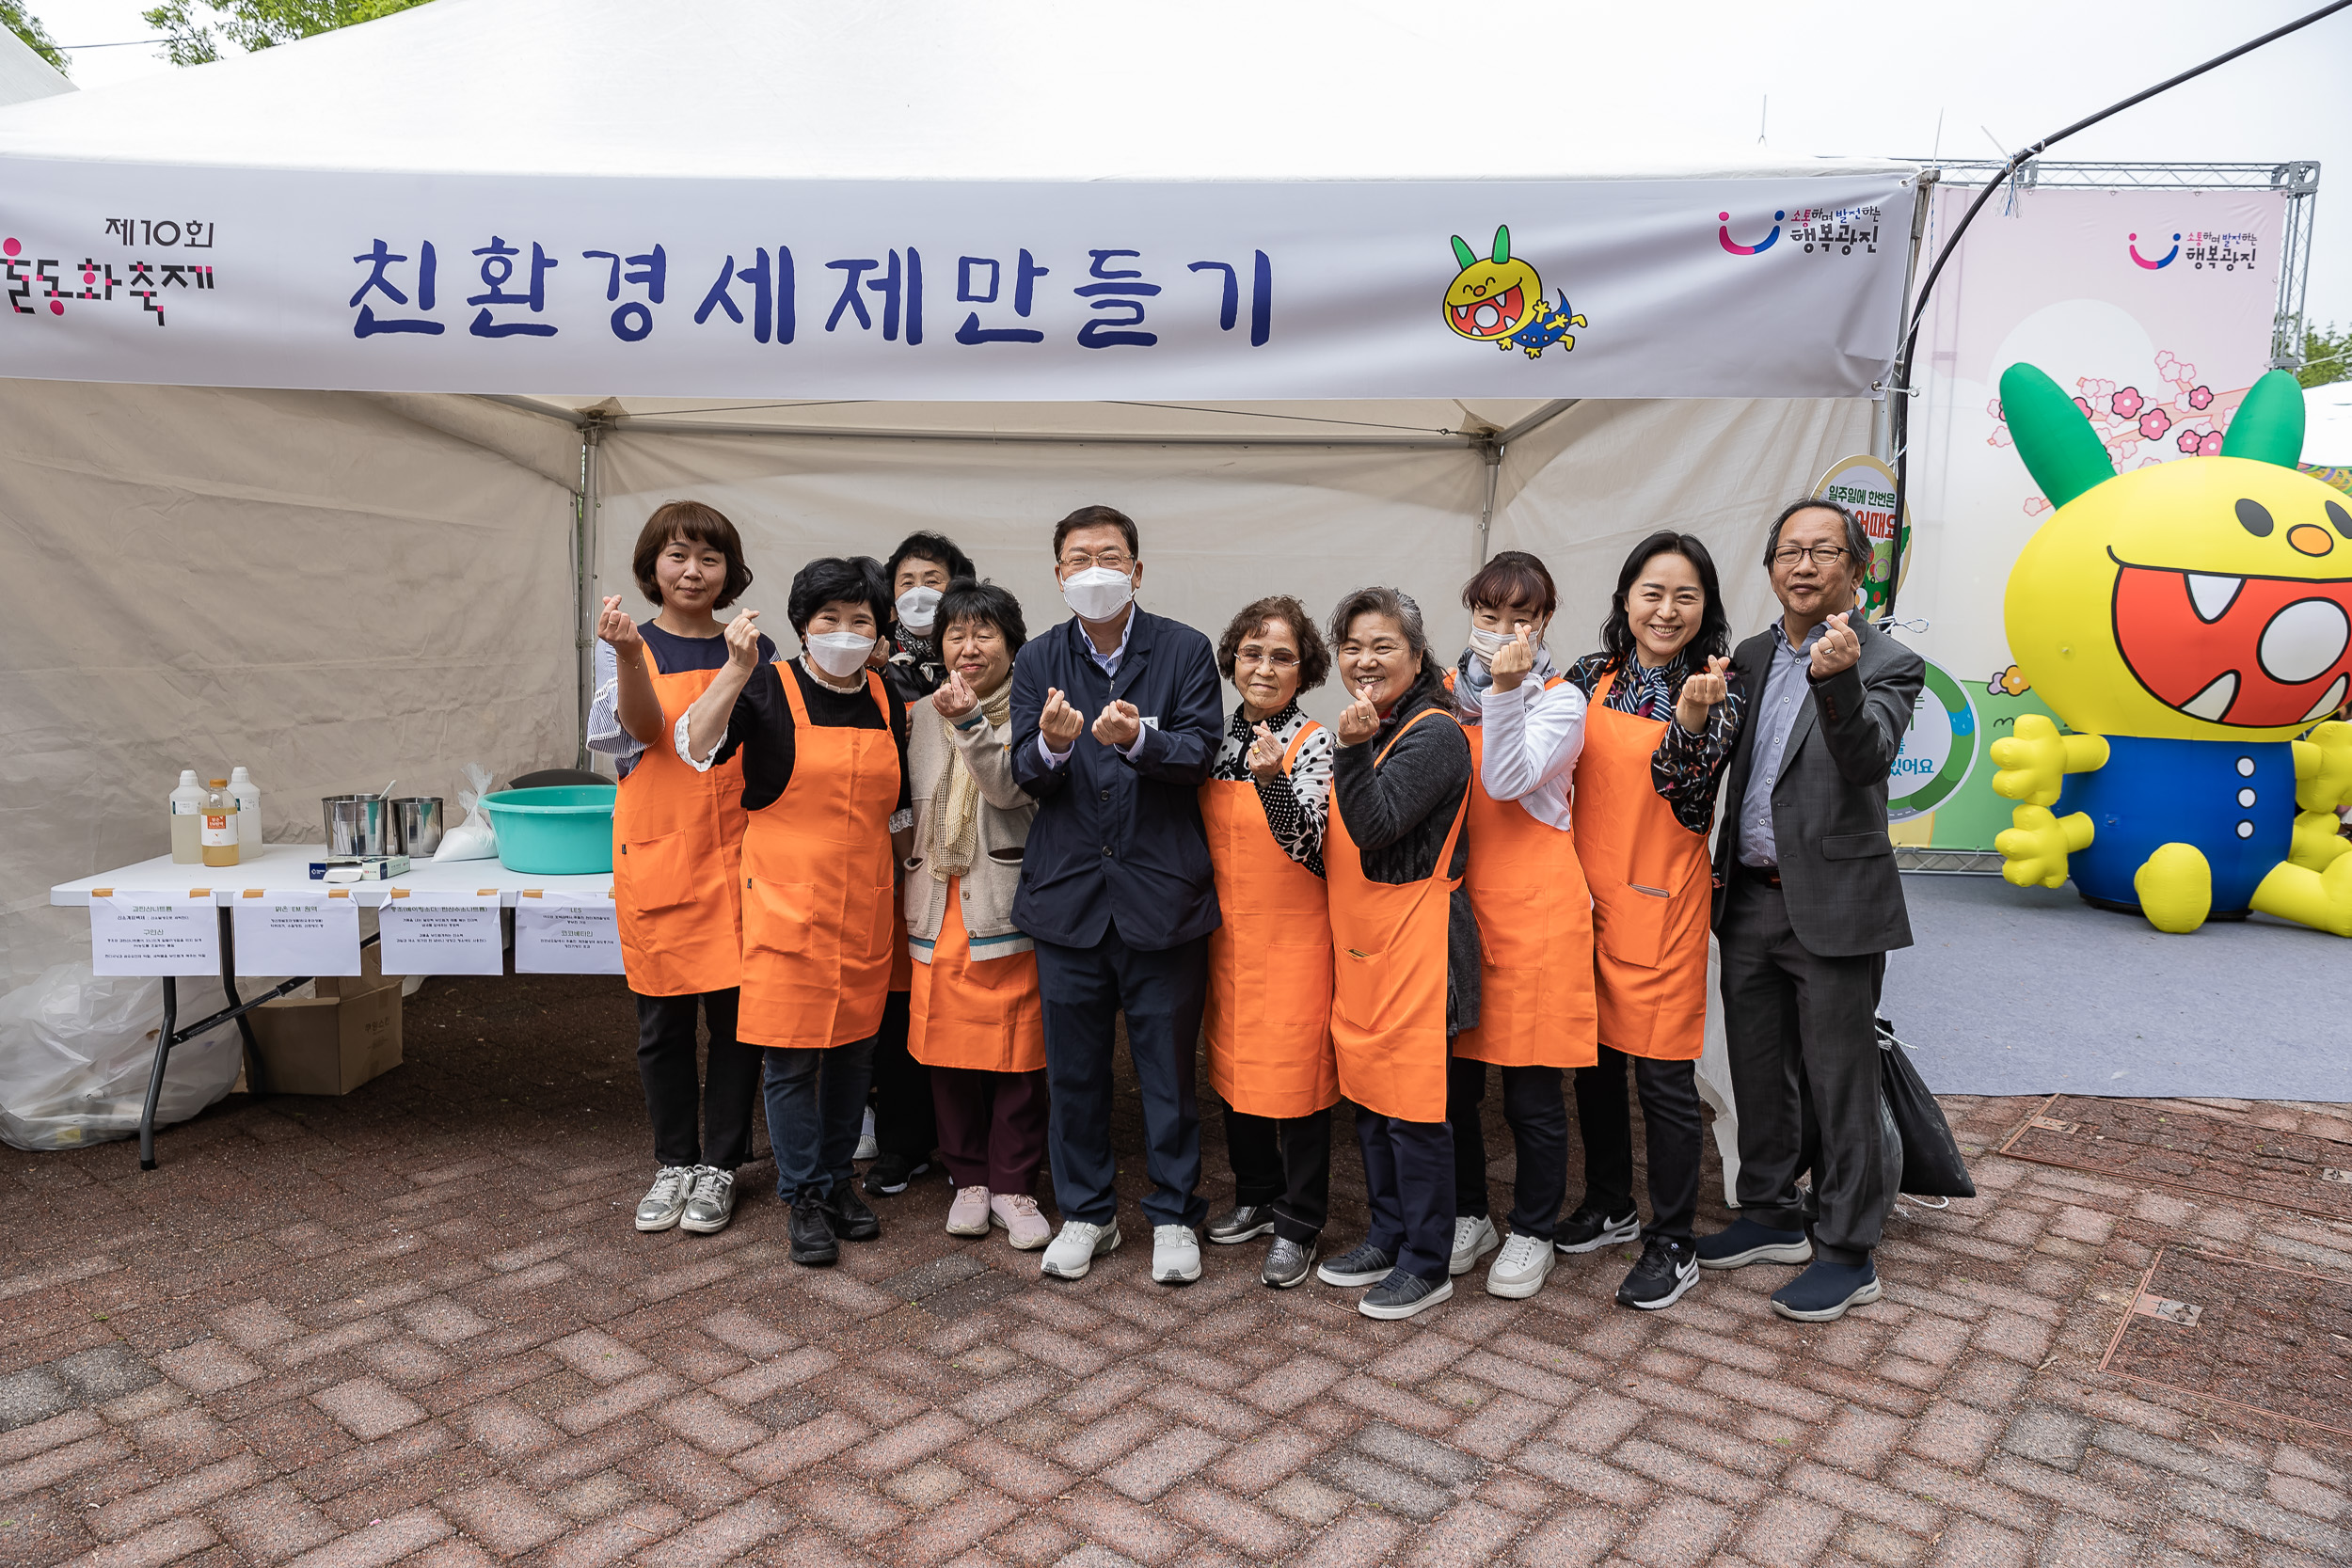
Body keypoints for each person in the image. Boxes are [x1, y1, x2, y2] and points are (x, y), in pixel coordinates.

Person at [1697, 498, 1921, 1323]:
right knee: (1758, 1068)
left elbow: (1867, 759)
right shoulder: (1749, 655)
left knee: (1840, 1079)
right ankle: (1767, 1212)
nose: (1803, 564)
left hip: (1836, 904)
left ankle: (1847, 1250)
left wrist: (1837, 679)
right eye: (1789, 550)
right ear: (1770, 568)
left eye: (1824, 551)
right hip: (1749, 895)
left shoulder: (1890, 661)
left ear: (1855, 572)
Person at [1009, 504, 1224, 1287]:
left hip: (1161, 899)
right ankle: (1089, 1213)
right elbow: (1023, 773)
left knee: (1167, 1067)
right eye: (1077, 558)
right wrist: (1054, 744)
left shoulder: (1184, 649)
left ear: (1137, 569)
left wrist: (1138, 738)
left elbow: (1200, 751)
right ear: (1059, 574)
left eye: (1109, 555)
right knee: (1074, 1073)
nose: (1093, 570)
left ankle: (1173, 1213)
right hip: (1068, 903)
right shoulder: (1037, 659)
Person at [678, 556, 913, 1268]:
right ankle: (804, 1195)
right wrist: (732, 668)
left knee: (852, 1054)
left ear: (879, 634)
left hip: (866, 903)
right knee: (789, 1058)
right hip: (784, 903)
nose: (844, 632)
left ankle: (839, 1181)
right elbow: (695, 746)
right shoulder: (765, 688)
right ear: (803, 627)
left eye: (860, 621)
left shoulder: (886, 696)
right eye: (828, 619)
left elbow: (897, 807)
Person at [1559, 532, 1743, 1310]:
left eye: (1685, 596)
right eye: (1652, 592)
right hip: (1583, 900)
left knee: (1663, 1078)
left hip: (1663, 905)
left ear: (1705, 610)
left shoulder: (1719, 690)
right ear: (1626, 598)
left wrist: (1692, 728)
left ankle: (1673, 1238)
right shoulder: (1585, 678)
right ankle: (1610, 1201)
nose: (1666, 610)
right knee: (1594, 1067)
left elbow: (1691, 800)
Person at [592, 501, 773, 1238]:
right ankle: (674, 1160)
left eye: (708, 557)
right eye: (677, 555)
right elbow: (640, 732)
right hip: (658, 848)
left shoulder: (750, 647)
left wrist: (742, 666)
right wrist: (633, 656)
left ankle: (722, 1165)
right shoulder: (628, 644)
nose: (692, 570)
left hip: (737, 852)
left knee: (737, 1022)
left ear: (729, 571)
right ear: (652, 568)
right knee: (662, 1021)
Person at [1313, 588, 1477, 1321]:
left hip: (1419, 944)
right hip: (1365, 942)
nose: (1365, 659)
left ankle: (1426, 1259)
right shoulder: (1369, 724)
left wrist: (1348, 751)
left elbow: (1375, 824)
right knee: (1373, 1099)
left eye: (1383, 645)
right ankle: (1386, 1233)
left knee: (1414, 1111)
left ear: (1416, 654)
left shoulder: (1434, 731)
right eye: (1352, 645)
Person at [1444, 551, 1595, 1300]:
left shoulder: (1563, 702)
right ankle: (1469, 1213)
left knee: (1531, 1090)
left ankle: (1533, 1226)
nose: (1504, 629)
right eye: (1489, 613)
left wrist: (1505, 689)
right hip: (1464, 910)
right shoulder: (1443, 695)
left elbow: (1505, 779)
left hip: (1538, 909)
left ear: (1543, 622)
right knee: (1454, 1084)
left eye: (1522, 616)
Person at [902, 579, 1053, 1252]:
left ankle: (1014, 1182)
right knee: (948, 1052)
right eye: (956, 634)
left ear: (1012, 645)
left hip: (1004, 901)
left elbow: (1010, 787)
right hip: (937, 902)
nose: (968, 647)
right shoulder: (918, 713)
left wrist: (970, 723)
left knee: (1019, 1052)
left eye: (984, 633)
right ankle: (968, 1178)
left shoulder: (1033, 709)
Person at [1199, 596, 1339, 1289]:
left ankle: (1299, 1219)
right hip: (1229, 938)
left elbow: (1312, 846)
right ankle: (1255, 1192)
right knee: (1234, 1069)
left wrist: (1271, 780)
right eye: (1252, 652)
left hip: (1295, 939)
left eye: (1281, 655)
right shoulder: (1214, 736)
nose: (1263, 667)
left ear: (1304, 667)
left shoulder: (1315, 740)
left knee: (1300, 1083)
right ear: (1232, 660)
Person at [862, 531, 979, 1196]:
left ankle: (965, 1138)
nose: (917, 593)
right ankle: (902, 1142)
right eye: (904, 580)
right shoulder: (875, 671)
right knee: (901, 1000)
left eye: (932, 578)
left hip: (969, 858)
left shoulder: (977, 662)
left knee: (961, 992)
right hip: (901, 855)